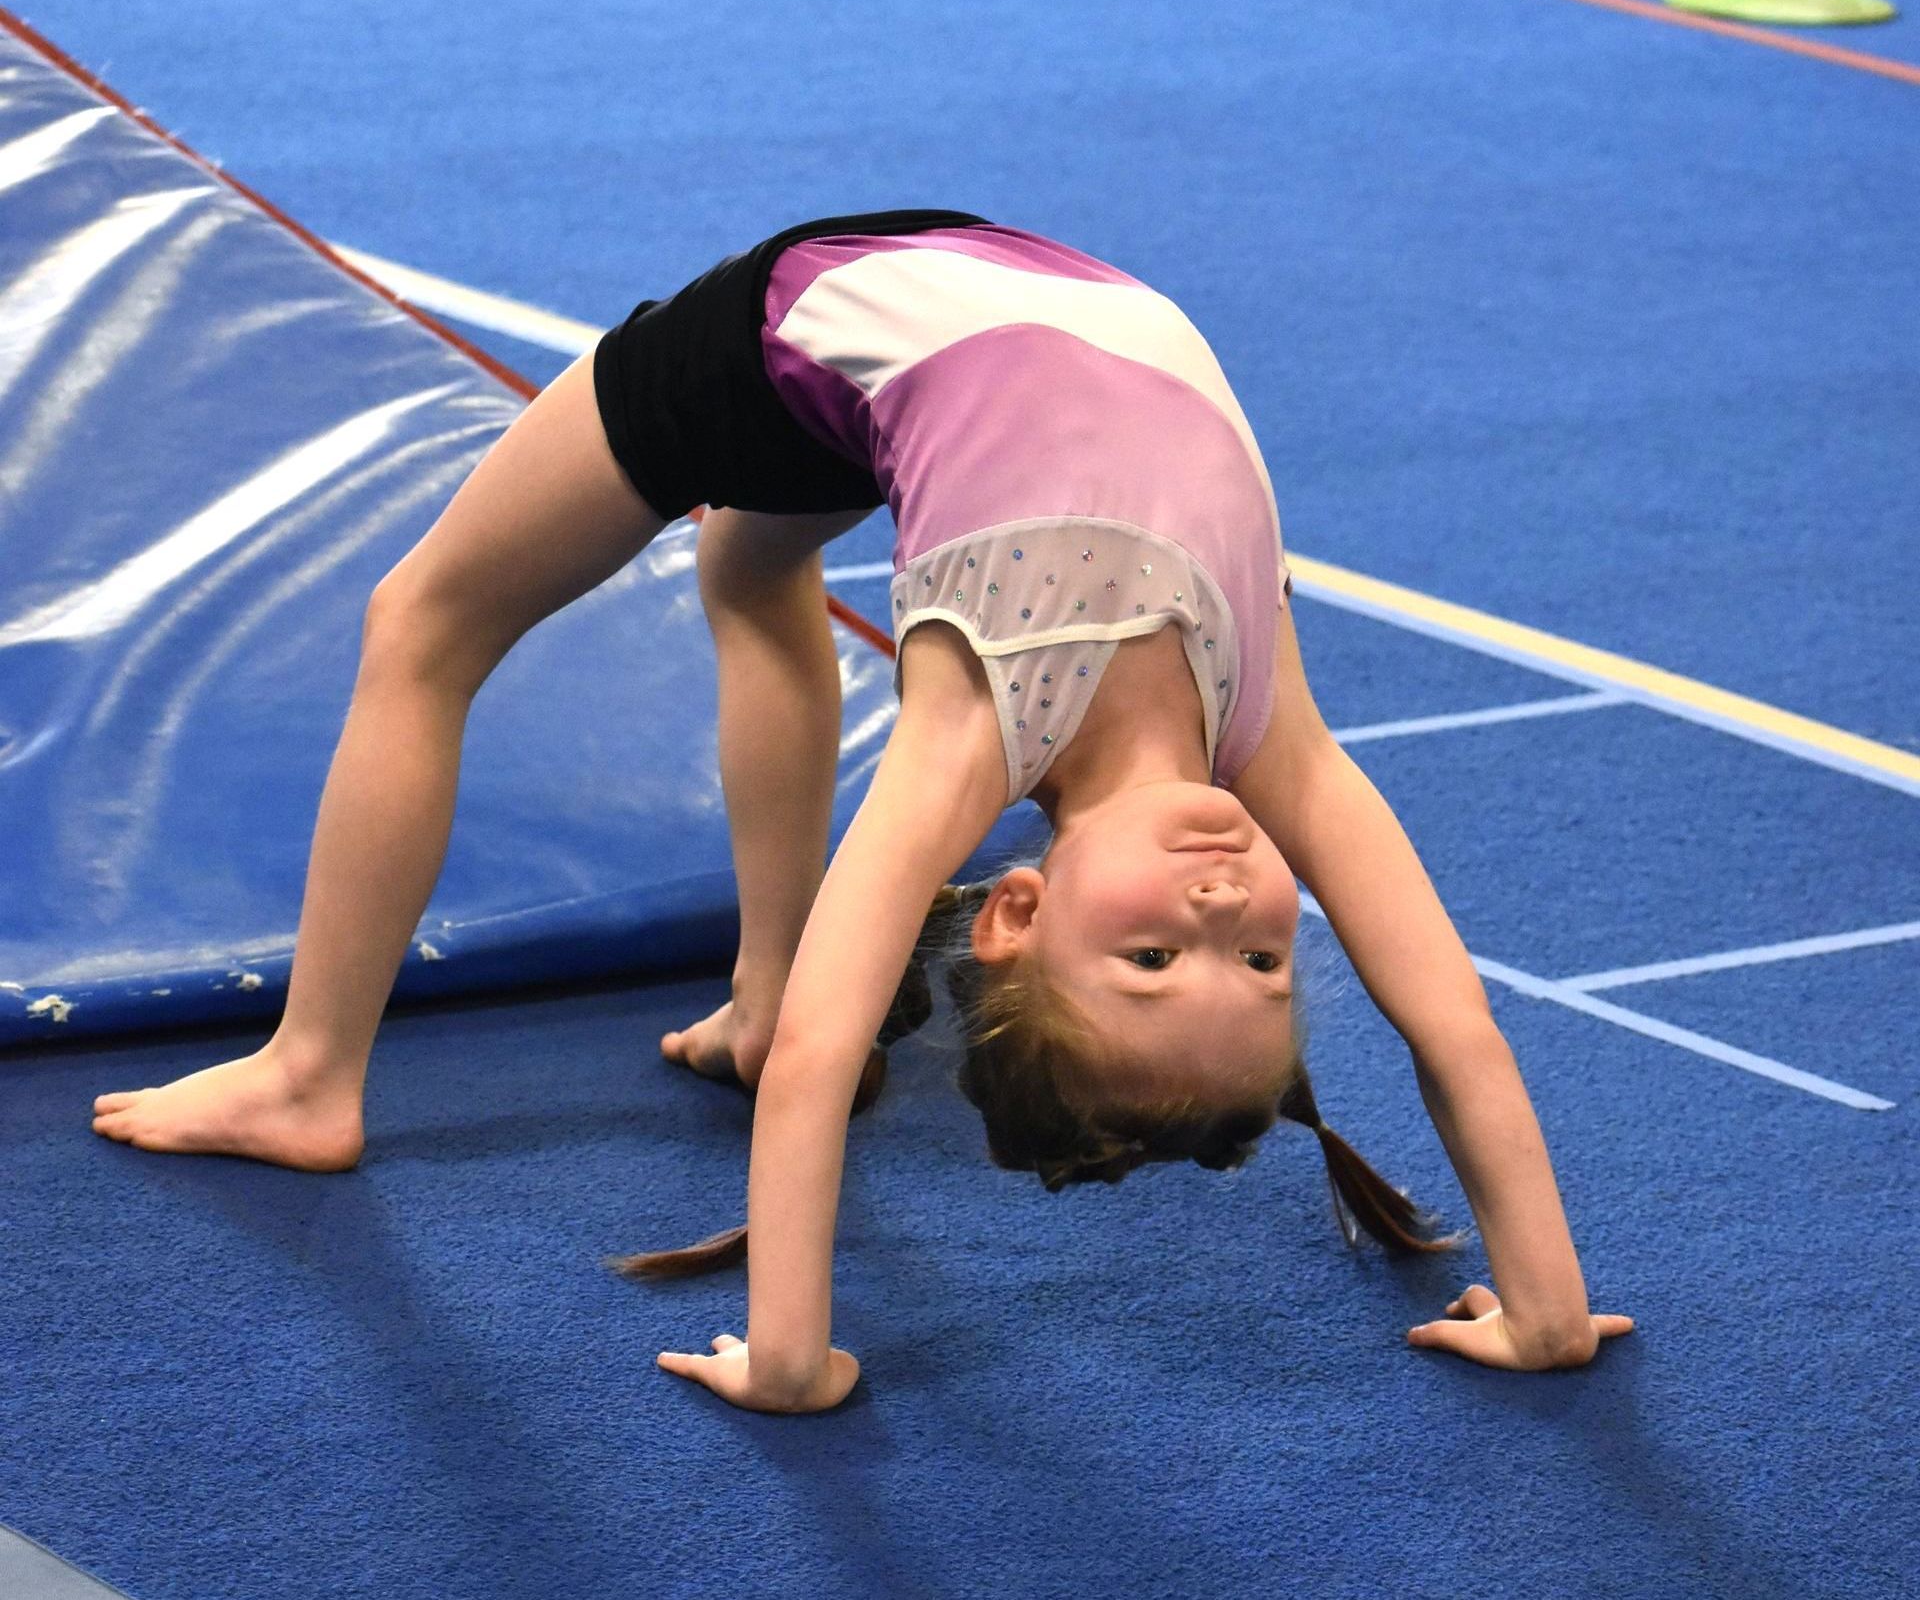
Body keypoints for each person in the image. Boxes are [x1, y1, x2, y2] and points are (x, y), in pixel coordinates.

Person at [92, 209, 1631, 1410]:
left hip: (815, 324)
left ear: (1019, 906)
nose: (1225, 917)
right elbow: (1454, 1025)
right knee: (746, 565)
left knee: (421, 625)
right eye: (1265, 967)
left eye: (1154, 962)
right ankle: (737, 998)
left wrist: (789, 1356)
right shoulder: (1269, 734)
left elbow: (838, 1058)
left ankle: (309, 1077)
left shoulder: (979, 719)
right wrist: (1546, 1311)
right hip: (976, 309)